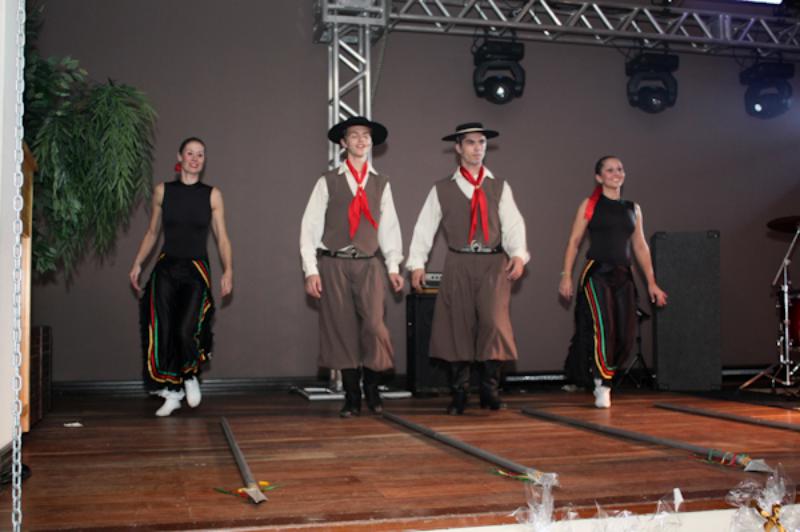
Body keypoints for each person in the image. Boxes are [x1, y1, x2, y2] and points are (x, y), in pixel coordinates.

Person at [407, 122, 528, 415]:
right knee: (456, 326)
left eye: (481, 142)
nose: (477, 148)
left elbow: (513, 224)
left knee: (494, 324)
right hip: (459, 262)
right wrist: (417, 263)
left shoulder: (498, 186)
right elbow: (424, 227)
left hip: (493, 264)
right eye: (471, 142)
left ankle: (490, 390)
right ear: (458, 148)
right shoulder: (442, 189)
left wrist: (518, 254)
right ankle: (459, 392)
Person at [300, 116, 404, 418]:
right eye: (354, 135)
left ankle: (372, 387)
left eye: (365, 136)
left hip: (369, 264)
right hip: (334, 264)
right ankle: (352, 396)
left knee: (374, 326)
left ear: (371, 142)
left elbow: (389, 228)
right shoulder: (328, 181)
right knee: (341, 330)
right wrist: (311, 269)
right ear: (343, 143)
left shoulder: (381, 183)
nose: (361, 140)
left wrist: (393, 266)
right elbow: (309, 228)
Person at [129, 137, 233, 417]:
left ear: (204, 160)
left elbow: (222, 238)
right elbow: (152, 232)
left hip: (196, 270)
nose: (195, 159)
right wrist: (138, 263)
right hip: (166, 269)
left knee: (186, 329)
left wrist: (228, 270)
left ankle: (190, 375)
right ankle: (173, 392)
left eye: (200, 154)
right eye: (190, 153)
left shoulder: (212, 195)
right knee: (164, 329)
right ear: (180, 157)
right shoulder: (163, 191)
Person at [558, 155, 667, 408]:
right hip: (597, 273)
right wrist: (566, 275)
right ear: (599, 177)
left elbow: (640, 246)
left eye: (619, 169)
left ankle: (604, 373)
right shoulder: (590, 205)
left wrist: (652, 282)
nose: (616, 173)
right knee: (603, 326)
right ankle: (602, 383)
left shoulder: (633, 208)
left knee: (626, 334)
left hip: (623, 276)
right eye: (610, 170)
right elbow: (574, 241)